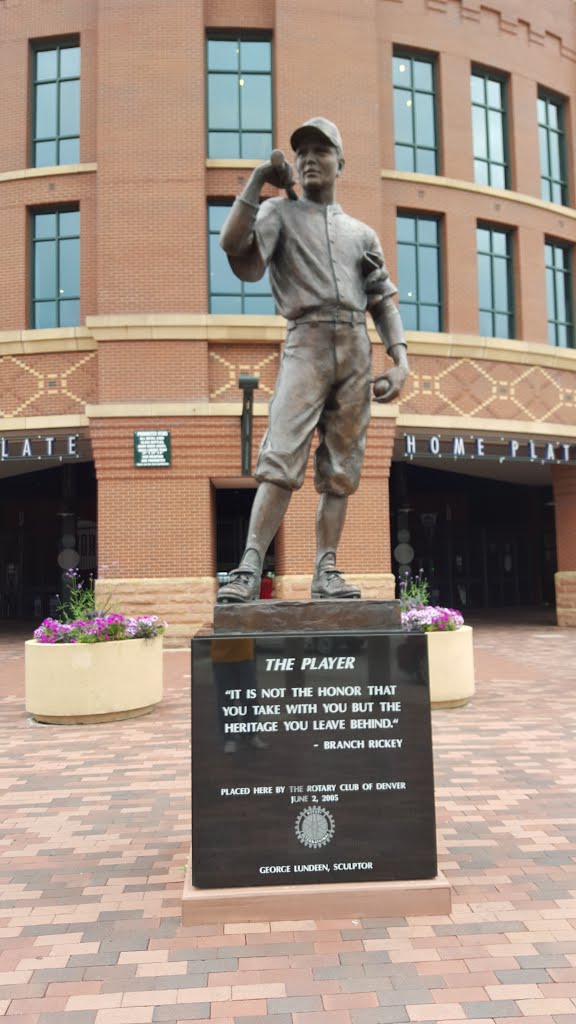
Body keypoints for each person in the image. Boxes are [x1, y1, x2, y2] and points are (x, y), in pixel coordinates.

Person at [216, 117, 409, 604]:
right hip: (306, 342)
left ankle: (326, 569)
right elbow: (233, 247)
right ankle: (248, 566)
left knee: (341, 467)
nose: (309, 159)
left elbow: (382, 298)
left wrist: (400, 358)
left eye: (321, 151)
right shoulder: (278, 214)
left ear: (340, 162)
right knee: (281, 456)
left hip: (356, 348)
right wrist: (260, 178)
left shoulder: (362, 233)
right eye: (301, 152)